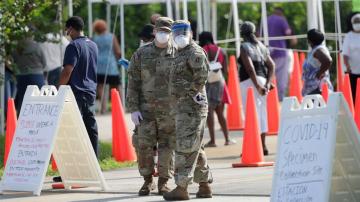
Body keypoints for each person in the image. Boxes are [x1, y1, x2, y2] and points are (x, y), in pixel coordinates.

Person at [127, 17, 176, 196]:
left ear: (171, 33)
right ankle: (147, 181)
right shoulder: (141, 54)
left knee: (167, 147)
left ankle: (163, 182)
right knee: (144, 146)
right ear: (154, 31)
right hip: (146, 111)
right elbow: (132, 81)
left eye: (166, 31)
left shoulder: (178, 53)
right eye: (160, 30)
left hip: (170, 111)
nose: (162, 34)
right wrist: (133, 108)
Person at [164, 20, 212, 201]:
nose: (179, 36)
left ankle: (181, 187)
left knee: (185, 146)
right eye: (175, 33)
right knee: (195, 147)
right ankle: (204, 185)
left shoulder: (195, 52)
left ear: (190, 33)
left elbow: (201, 78)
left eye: (183, 32)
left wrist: (187, 94)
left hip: (192, 108)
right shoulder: (179, 52)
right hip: (183, 108)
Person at [59, 16, 99, 156]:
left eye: (66, 30)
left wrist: (59, 88)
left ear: (70, 29)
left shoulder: (73, 46)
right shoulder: (93, 44)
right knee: (90, 127)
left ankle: (75, 165)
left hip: (76, 93)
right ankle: (94, 161)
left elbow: (68, 70)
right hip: (90, 92)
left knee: (73, 130)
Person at [237, 21, 275, 156]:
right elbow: (271, 65)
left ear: (242, 34)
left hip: (249, 82)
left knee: (251, 115)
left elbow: (249, 68)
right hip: (263, 79)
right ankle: (263, 146)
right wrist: (268, 83)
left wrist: (257, 86)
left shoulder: (244, 46)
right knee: (262, 113)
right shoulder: (261, 46)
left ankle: (252, 145)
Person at [198, 31, 235, 147]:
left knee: (209, 113)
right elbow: (226, 71)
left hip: (207, 84)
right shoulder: (221, 51)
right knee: (220, 113)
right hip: (220, 83)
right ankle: (227, 138)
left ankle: (213, 141)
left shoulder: (200, 51)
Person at [92, 19, 121, 114]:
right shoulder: (111, 37)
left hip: (99, 64)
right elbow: (117, 51)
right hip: (110, 63)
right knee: (115, 85)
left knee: (100, 86)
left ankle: (103, 108)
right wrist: (118, 60)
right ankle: (118, 107)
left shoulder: (95, 38)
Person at [267, 7, 296, 101]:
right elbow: (289, 34)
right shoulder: (282, 20)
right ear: (281, 13)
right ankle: (280, 100)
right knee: (281, 79)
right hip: (280, 52)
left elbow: (259, 34)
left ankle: (269, 98)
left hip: (267, 52)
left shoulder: (266, 19)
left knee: (268, 75)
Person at [12, 36, 46, 111]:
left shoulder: (17, 48)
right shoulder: (37, 46)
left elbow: (13, 61)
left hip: (22, 77)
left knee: (23, 101)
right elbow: (44, 63)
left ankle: (23, 121)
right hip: (37, 76)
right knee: (39, 101)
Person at [302, 29, 333, 96]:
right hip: (313, 89)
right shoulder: (315, 50)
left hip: (318, 89)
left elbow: (328, 61)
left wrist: (320, 73)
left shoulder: (318, 50)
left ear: (309, 40)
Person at [343, 12, 360, 104]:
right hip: (352, 70)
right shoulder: (349, 36)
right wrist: (347, 66)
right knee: (353, 93)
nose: (358, 24)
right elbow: (345, 54)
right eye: (356, 22)